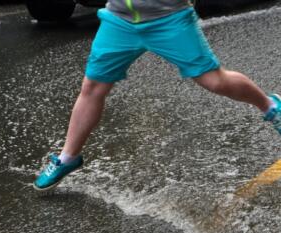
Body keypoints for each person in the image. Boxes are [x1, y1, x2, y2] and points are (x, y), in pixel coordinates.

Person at [33, 0, 281, 193]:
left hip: (169, 20)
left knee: (213, 80)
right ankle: (68, 158)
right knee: (92, 87)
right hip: (119, 21)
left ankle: (270, 106)